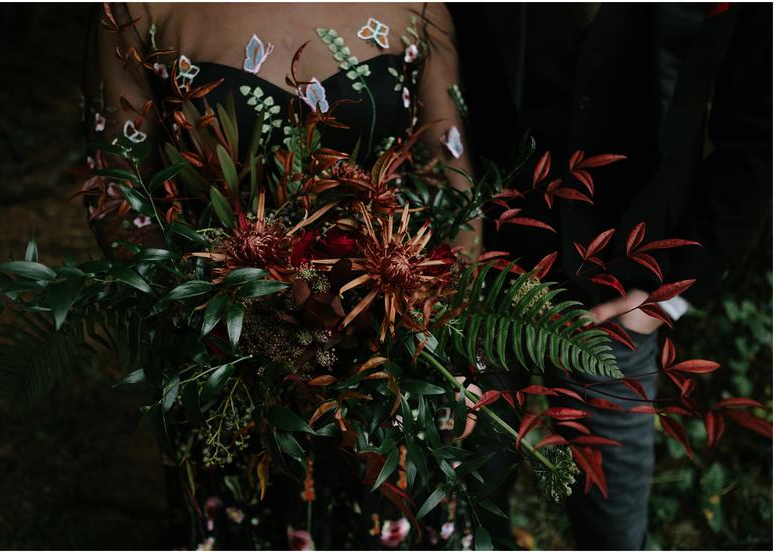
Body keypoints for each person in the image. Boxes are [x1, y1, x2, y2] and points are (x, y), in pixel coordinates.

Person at [81, 3, 480, 548]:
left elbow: (451, 176)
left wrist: (438, 327)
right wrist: (230, 320)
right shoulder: (136, 8)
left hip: (390, 362)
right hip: (230, 364)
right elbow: (119, 193)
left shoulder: (420, 4)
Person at [451, 3, 772, 549]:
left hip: (622, 295)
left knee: (614, 529)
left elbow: (757, 133)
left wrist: (669, 296)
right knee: (465, 512)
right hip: (481, 276)